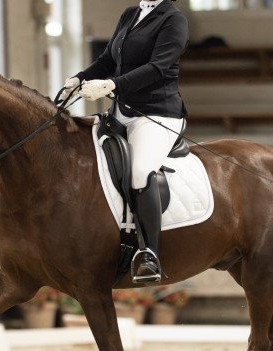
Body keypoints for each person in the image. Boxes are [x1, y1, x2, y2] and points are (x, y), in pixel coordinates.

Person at [62, 0, 189, 284]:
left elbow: (158, 67)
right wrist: (80, 78)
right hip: (120, 113)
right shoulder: (131, 14)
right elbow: (108, 60)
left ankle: (149, 253)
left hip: (157, 114)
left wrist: (112, 85)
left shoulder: (173, 20)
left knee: (141, 171)